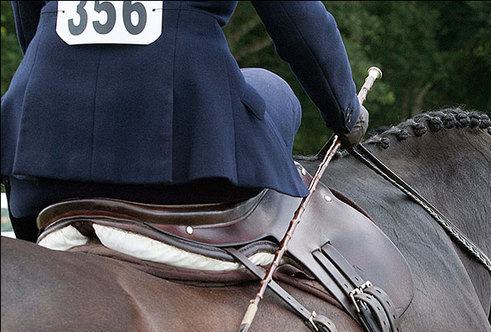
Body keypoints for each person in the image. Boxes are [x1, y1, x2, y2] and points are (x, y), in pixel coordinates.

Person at [2, 1, 369, 242]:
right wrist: (345, 113)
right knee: (274, 89)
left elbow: (32, 28)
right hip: (188, 172)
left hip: (41, 162)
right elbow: (299, 23)